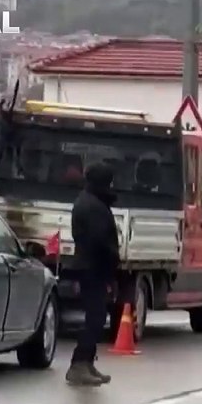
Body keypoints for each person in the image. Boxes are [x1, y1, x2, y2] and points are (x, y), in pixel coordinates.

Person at [66, 164, 120, 387]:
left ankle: (87, 361)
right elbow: (100, 243)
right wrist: (110, 267)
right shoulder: (93, 206)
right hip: (93, 269)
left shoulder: (90, 201)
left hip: (91, 268)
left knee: (96, 317)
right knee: (95, 318)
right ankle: (79, 363)